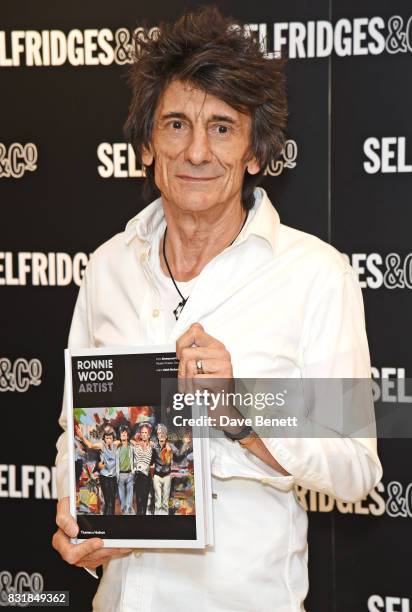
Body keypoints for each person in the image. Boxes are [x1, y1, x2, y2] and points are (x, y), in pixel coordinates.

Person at [52, 7, 382, 611]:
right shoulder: (107, 268)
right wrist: (74, 511)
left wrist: (244, 409)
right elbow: (74, 430)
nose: (196, 151)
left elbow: (358, 467)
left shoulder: (314, 275)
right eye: (176, 124)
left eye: (223, 128)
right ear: (148, 146)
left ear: (256, 153)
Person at [75, 425, 119, 515]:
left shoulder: (115, 444)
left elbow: (125, 441)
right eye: (107, 438)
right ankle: (87, 510)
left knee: (110, 501)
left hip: (110, 476)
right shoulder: (100, 445)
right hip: (98, 474)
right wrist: (81, 437)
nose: (108, 440)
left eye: (110, 438)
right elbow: (90, 445)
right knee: (106, 501)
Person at [152, 424, 192, 515]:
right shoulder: (153, 447)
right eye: (159, 432)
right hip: (156, 476)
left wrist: (185, 444)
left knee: (168, 501)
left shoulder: (170, 446)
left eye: (163, 433)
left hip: (167, 477)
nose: (161, 434)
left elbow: (178, 458)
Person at [132, 423, 154, 516]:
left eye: (146, 432)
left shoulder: (152, 447)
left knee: (145, 501)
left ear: (149, 434)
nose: (144, 434)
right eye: (142, 432)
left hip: (147, 476)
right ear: (140, 434)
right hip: (138, 476)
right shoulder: (135, 446)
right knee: (139, 500)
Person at [116, 425, 135, 515]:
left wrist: (133, 471)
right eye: (122, 433)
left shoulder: (131, 447)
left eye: (125, 433)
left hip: (129, 473)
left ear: (128, 436)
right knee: (121, 494)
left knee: (130, 493)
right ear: (119, 436)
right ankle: (124, 509)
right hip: (120, 474)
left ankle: (128, 508)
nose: (123, 434)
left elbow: (137, 444)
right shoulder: (117, 448)